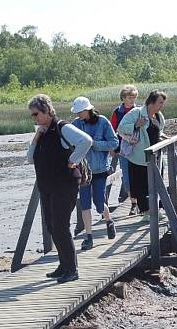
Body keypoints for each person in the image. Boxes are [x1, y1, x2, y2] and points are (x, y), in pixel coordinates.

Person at [27, 94, 92, 284]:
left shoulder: (63, 127)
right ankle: (63, 265)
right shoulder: (43, 133)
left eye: (36, 114)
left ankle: (72, 269)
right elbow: (30, 158)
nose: (34, 118)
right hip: (47, 187)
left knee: (61, 227)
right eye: (32, 115)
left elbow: (86, 141)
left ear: (47, 110)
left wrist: (73, 160)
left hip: (64, 185)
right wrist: (36, 136)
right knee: (51, 226)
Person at [71, 96, 118, 251]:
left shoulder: (103, 122)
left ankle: (109, 221)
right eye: (77, 112)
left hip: (99, 170)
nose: (78, 115)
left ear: (88, 110)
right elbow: (68, 144)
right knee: (84, 203)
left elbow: (114, 143)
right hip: (83, 171)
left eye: (81, 112)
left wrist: (93, 144)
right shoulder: (75, 125)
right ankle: (88, 237)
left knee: (99, 204)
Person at [116, 90, 167, 215]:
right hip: (138, 157)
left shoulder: (159, 116)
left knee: (155, 185)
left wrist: (165, 138)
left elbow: (158, 132)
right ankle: (145, 213)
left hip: (155, 157)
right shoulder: (136, 113)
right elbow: (120, 128)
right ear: (151, 102)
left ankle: (154, 211)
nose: (162, 105)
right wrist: (135, 125)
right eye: (160, 102)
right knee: (140, 186)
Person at [110, 85, 139, 214]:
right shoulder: (118, 112)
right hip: (123, 149)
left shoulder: (139, 111)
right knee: (126, 178)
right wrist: (112, 148)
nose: (132, 99)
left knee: (139, 175)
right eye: (129, 97)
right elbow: (112, 131)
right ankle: (133, 203)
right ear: (123, 98)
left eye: (134, 97)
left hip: (139, 147)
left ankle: (139, 202)